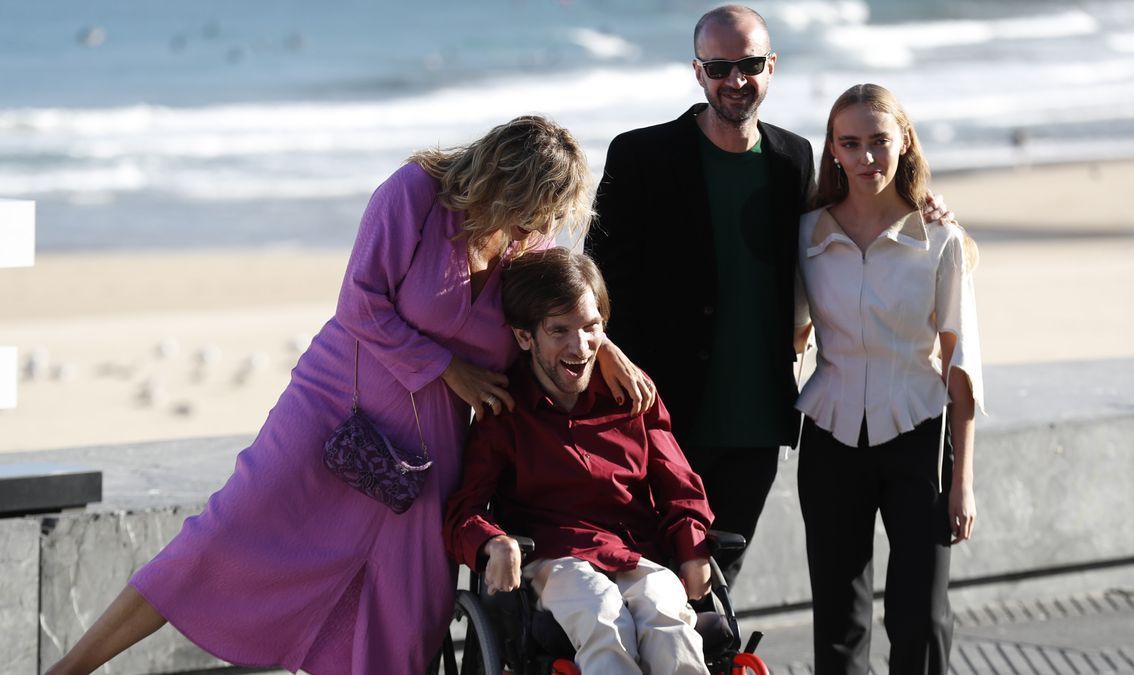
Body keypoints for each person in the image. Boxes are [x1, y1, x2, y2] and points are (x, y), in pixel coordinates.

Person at [47, 116, 653, 675]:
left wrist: (609, 350)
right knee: (216, 543)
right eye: (531, 209)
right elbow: (359, 301)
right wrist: (448, 368)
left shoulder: (530, 245)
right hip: (334, 405)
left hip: (433, 442)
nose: (540, 227)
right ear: (501, 179)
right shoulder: (415, 193)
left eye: (551, 215)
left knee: (411, 609)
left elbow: (562, 312)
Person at [587, 4, 950, 586]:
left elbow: (843, 220)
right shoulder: (640, 155)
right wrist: (607, 360)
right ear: (698, 70)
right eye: (720, 66)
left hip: (757, 423)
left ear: (772, 66)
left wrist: (921, 206)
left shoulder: (791, 157)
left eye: (750, 64)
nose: (735, 80)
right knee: (652, 587)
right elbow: (595, 284)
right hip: (662, 418)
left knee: (717, 593)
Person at [444, 248, 715, 675]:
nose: (580, 345)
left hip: (635, 552)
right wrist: (492, 542)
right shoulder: (504, 411)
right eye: (560, 331)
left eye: (592, 328)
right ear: (524, 337)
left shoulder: (632, 395)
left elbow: (679, 484)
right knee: (601, 612)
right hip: (556, 559)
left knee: (666, 615)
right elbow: (464, 511)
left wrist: (693, 548)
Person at [793, 83, 984, 674]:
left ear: (904, 141)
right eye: (851, 144)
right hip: (829, 440)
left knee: (920, 617)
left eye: (879, 141)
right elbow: (789, 338)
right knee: (839, 622)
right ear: (833, 151)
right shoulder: (806, 236)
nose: (866, 157)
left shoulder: (940, 239)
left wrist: (962, 480)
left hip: (919, 439)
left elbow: (963, 369)